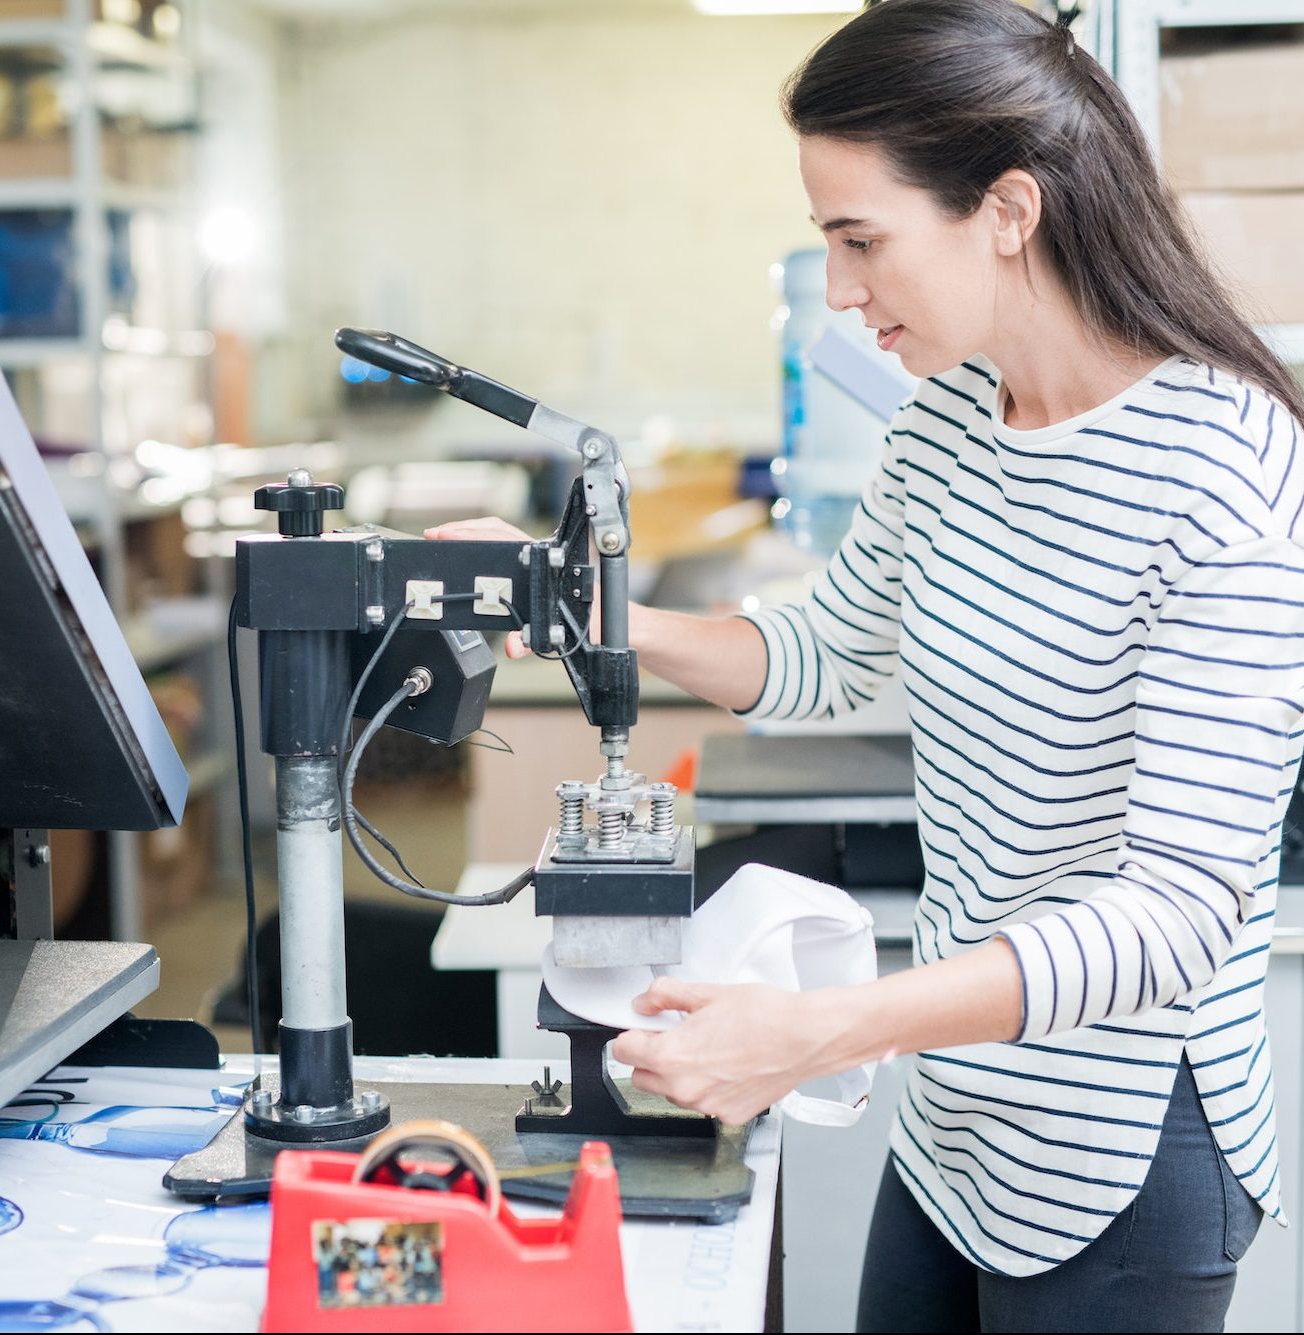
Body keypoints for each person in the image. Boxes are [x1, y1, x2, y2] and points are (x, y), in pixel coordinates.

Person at [428, 1, 1304, 1328]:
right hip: (953, 1118)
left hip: (1122, 1153)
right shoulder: (953, 417)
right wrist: (570, 603)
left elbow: (1177, 913)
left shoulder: (1221, 468)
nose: (839, 292)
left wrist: (820, 1029)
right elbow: (820, 656)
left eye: (860, 241)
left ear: (1008, 210)